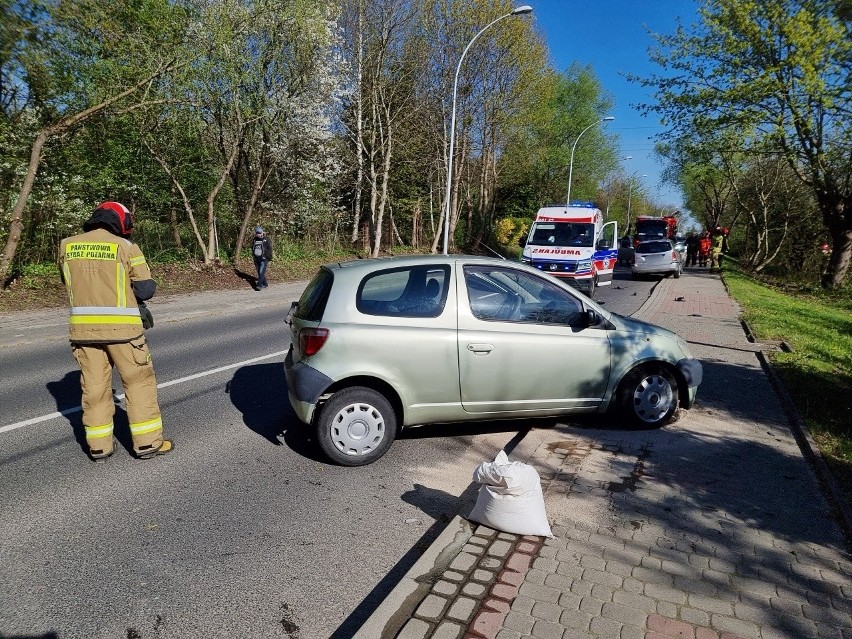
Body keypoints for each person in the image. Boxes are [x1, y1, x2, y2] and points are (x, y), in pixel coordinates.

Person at [59, 201, 172, 460]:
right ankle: (148, 444)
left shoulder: (67, 245)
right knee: (138, 383)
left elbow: (70, 281)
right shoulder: (126, 247)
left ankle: (99, 447)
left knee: (94, 387)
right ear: (122, 222)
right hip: (124, 333)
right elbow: (145, 289)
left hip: (84, 333)